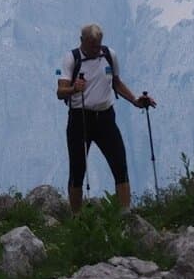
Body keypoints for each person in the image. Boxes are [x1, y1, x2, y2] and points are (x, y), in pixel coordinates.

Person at [55, 23, 156, 213]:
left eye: (98, 44)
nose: (96, 49)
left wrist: (135, 100)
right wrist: (73, 89)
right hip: (80, 118)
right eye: (92, 45)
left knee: (120, 164)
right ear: (82, 41)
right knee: (77, 170)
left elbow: (116, 83)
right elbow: (60, 92)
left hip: (106, 117)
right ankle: (77, 218)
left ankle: (126, 215)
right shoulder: (71, 59)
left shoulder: (109, 55)